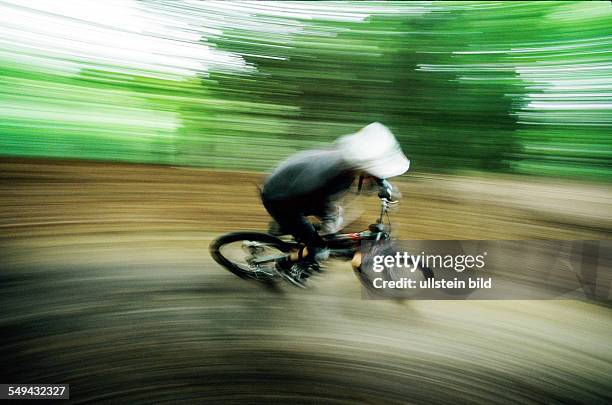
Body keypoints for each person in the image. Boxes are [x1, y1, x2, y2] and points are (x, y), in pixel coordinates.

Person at [260, 122, 410, 287]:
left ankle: (295, 235)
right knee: (320, 249)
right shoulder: (334, 177)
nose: (372, 178)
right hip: (281, 198)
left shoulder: (348, 163)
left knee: (335, 225)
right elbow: (320, 202)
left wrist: (386, 188)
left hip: (294, 189)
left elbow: (373, 173)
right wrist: (330, 222)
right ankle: (285, 266)